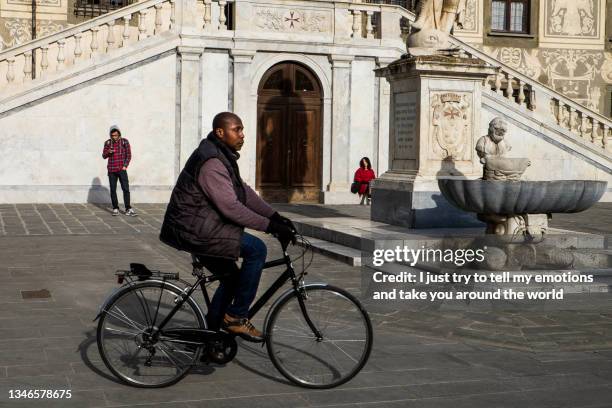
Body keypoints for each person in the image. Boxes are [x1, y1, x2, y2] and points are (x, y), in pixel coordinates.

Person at [159, 112, 296, 342]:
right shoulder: (211, 161)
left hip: (203, 224)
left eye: (242, 129)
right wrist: (270, 227)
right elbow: (231, 207)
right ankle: (236, 316)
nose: (242, 135)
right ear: (220, 132)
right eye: (237, 130)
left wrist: (275, 216)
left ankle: (210, 336)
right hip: (195, 229)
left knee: (231, 278)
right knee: (257, 250)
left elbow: (244, 193)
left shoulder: (222, 155)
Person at [102, 125, 136, 216]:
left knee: (126, 189)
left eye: (116, 135)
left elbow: (128, 155)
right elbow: (104, 156)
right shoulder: (108, 143)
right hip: (111, 170)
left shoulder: (125, 141)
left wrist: (125, 166)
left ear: (119, 134)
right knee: (113, 189)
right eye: (113, 135)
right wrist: (109, 152)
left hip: (121, 169)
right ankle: (115, 208)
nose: (115, 137)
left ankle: (128, 208)